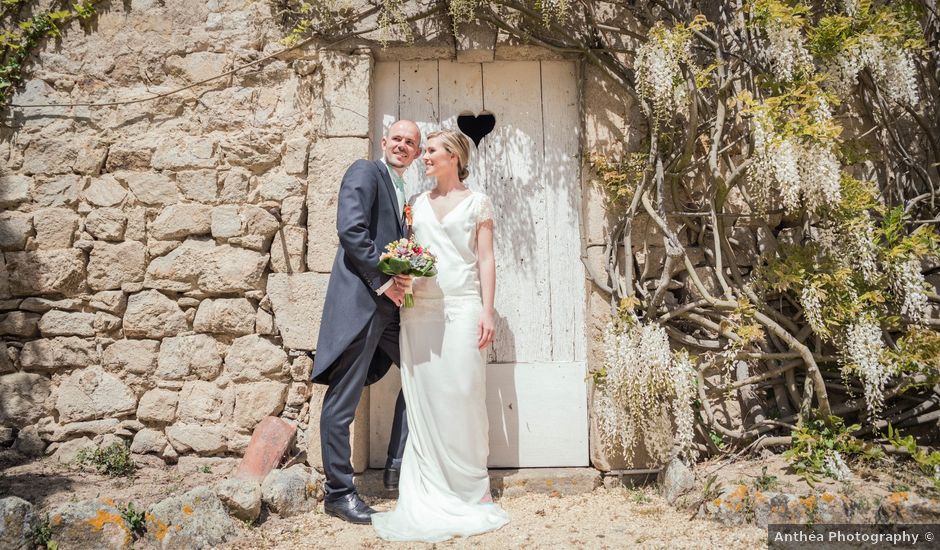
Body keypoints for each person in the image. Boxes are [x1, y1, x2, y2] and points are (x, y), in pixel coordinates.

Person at [371, 129, 510, 542]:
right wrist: (400, 273)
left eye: (430, 150)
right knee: (427, 399)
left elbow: (486, 259)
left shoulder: (478, 203)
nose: (423, 157)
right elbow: (409, 252)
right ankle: (430, 487)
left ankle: (472, 487)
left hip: (464, 307)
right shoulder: (416, 204)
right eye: (423, 150)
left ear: (453, 156)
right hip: (421, 311)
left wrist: (486, 310)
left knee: (465, 393)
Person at [311, 120, 422, 525]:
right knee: (342, 401)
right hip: (363, 302)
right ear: (383, 142)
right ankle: (339, 493)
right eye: (397, 139)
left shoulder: (403, 189)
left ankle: (397, 468)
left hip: (390, 308)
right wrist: (384, 280)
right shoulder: (364, 171)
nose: (403, 146)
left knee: (424, 377)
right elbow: (351, 231)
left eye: (411, 142)